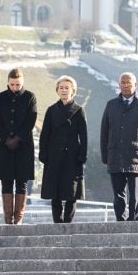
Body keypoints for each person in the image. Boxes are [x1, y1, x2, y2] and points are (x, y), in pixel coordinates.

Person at [100, 72, 138, 222]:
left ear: (135, 85)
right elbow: (104, 132)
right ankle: (120, 222)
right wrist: (106, 156)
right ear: (119, 85)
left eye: (129, 82)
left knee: (135, 195)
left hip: (136, 157)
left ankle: (134, 223)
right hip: (115, 156)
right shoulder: (111, 105)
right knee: (118, 195)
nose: (125, 85)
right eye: (123, 82)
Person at [0, 68, 38, 225]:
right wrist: (5, 138)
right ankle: (7, 218)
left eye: (18, 84)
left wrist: (18, 138)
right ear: (8, 82)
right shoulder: (0, 97)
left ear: (22, 82)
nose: (15, 87)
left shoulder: (30, 97)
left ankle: (18, 219)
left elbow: (31, 120)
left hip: (23, 145)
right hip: (4, 145)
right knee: (6, 181)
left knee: (22, 182)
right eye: (12, 84)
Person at [39, 75, 87, 223]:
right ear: (57, 91)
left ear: (73, 90)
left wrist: (82, 156)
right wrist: (44, 153)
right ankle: (57, 222)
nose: (64, 90)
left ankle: (68, 222)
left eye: (67, 88)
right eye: (61, 88)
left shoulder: (78, 110)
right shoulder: (51, 110)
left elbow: (83, 136)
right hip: (54, 156)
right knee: (55, 192)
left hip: (72, 157)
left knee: (71, 193)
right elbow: (45, 134)